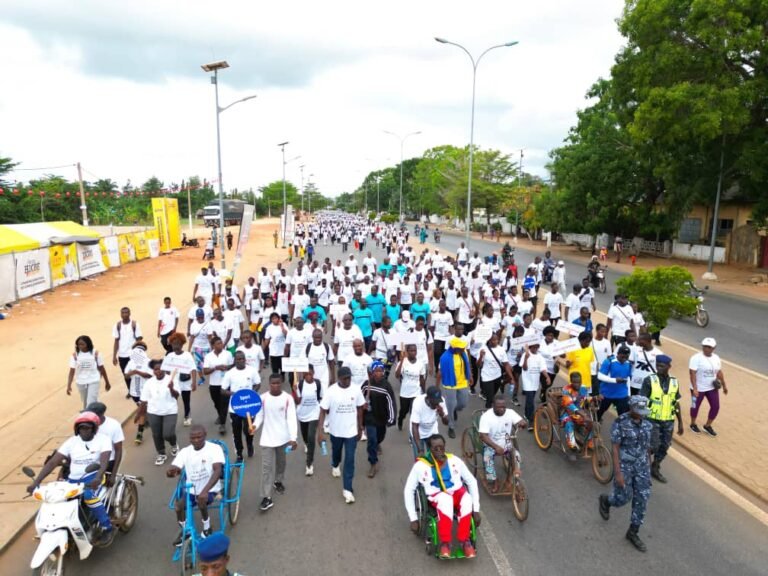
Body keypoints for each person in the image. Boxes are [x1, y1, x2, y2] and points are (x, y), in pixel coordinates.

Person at [26, 411, 113, 544]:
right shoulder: (71, 442)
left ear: (94, 428)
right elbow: (53, 462)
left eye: (88, 428)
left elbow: (104, 462)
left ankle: (107, 526)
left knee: (89, 496)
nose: (84, 431)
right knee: (54, 498)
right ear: (77, 429)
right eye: (81, 428)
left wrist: (98, 477)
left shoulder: (103, 440)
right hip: (72, 480)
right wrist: (36, 482)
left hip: (93, 477)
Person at [403, 434, 481, 559]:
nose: (439, 450)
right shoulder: (420, 466)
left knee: (467, 499)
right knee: (446, 500)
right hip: (437, 496)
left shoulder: (455, 460)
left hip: (457, 492)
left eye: (441, 447)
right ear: (430, 449)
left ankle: (465, 541)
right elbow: (409, 490)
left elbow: (471, 481)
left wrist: (476, 510)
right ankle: (445, 543)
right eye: (435, 448)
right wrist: (413, 518)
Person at [598, 396, 653, 552]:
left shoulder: (647, 424)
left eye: (643, 411)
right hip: (625, 466)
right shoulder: (620, 423)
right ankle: (607, 501)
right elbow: (615, 449)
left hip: (642, 466)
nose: (641, 414)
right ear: (631, 408)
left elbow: (647, 447)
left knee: (642, 498)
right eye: (639, 411)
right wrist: (618, 473)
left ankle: (633, 532)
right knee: (623, 498)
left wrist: (648, 469)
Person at [167, 425, 224, 543]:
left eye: (199, 437)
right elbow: (175, 466)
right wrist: (171, 471)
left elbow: (218, 470)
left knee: (201, 500)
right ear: (189, 438)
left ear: (205, 435)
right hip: (192, 490)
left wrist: (205, 491)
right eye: (193, 438)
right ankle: (186, 531)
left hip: (211, 489)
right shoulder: (185, 452)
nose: (196, 440)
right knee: (178, 506)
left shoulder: (215, 448)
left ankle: (207, 528)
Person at [317, 367, 366, 504]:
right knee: (337, 452)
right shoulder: (331, 391)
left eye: (349, 378)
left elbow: (360, 409)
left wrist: (360, 427)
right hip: (336, 431)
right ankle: (335, 463)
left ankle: (347, 489)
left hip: (351, 432)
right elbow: (322, 410)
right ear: (339, 378)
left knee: (350, 459)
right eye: (345, 378)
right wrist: (320, 432)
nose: (347, 380)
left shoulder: (356, 389)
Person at [253, 373, 298, 511]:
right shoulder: (263, 398)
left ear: (281, 383)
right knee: (266, 468)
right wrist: (254, 426)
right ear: (269, 384)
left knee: (281, 463)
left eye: (278, 383)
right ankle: (266, 497)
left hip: (283, 439)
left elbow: (291, 419)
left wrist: (293, 438)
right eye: (273, 383)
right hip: (267, 439)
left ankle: (278, 481)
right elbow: (260, 416)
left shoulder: (288, 398)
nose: (275, 386)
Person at [640, 354, 682, 483]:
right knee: (653, 445)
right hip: (651, 419)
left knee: (665, 446)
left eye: (662, 366)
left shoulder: (674, 382)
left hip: (668, 420)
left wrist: (680, 422)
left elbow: (676, 403)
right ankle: (643, 467)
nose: (659, 368)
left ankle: (655, 466)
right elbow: (642, 401)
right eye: (657, 365)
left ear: (669, 367)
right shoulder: (649, 380)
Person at [135, 359, 180, 466]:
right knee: (156, 434)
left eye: (160, 369)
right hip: (153, 412)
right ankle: (161, 453)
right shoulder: (149, 383)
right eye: (156, 369)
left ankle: (174, 444)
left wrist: (171, 388)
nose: (158, 371)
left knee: (168, 434)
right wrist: (138, 414)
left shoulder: (171, 379)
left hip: (170, 411)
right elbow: (144, 400)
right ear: (153, 371)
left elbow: (176, 396)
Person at [478, 396, 526, 493]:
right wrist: (495, 447)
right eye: (499, 407)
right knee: (487, 458)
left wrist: (522, 423)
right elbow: (483, 436)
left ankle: (510, 479)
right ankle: (494, 481)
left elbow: (521, 421)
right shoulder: (486, 417)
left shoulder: (510, 412)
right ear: (493, 406)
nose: (502, 409)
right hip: (491, 444)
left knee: (517, 456)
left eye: (503, 407)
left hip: (506, 443)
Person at [361, 361, 397, 478]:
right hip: (370, 417)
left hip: (382, 417)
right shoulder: (366, 384)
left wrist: (391, 418)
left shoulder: (386, 386)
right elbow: (359, 398)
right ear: (372, 372)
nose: (378, 373)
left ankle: (378, 443)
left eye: (380, 371)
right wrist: (363, 406)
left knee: (379, 437)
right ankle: (373, 463)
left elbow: (391, 402)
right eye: (376, 371)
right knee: (371, 439)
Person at [689, 337, 728, 436]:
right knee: (695, 406)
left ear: (714, 348)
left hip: (711, 388)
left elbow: (719, 372)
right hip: (698, 388)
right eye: (705, 346)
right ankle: (693, 424)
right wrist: (695, 388)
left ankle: (707, 426)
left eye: (709, 347)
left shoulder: (716, 358)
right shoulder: (695, 358)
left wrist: (724, 385)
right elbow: (692, 373)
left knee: (715, 407)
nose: (706, 348)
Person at [435, 337, 472, 439]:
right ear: (454, 348)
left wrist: (470, 376)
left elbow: (467, 365)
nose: (463, 349)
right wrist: (437, 387)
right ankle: (451, 427)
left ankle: (452, 409)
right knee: (450, 405)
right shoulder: (445, 357)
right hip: (450, 383)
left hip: (462, 382)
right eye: (461, 348)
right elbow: (440, 372)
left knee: (463, 403)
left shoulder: (463, 353)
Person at [292, 364, 323, 477]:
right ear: (303, 375)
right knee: (305, 437)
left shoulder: (318, 384)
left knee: (311, 437)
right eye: (306, 374)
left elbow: (321, 398)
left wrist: (322, 414)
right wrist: (294, 391)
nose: (308, 376)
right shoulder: (300, 385)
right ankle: (306, 444)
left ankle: (309, 463)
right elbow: (297, 401)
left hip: (314, 414)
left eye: (310, 374)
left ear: (313, 373)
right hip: (302, 414)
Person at [67, 335, 111, 409]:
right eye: (78, 344)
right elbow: (71, 371)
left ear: (88, 344)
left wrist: (107, 382)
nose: (80, 346)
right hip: (81, 382)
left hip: (94, 380)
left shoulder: (96, 353)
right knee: (85, 402)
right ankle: (95, 411)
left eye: (82, 344)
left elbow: (102, 368)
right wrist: (69, 385)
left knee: (90, 402)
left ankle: (90, 413)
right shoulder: (75, 356)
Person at [85, 402, 124, 482]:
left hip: (108, 462)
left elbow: (118, 450)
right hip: (89, 461)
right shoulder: (85, 424)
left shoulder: (114, 425)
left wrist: (113, 474)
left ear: (99, 415)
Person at [409, 386, 449, 457]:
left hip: (432, 432)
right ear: (428, 399)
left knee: (433, 457)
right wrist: (420, 450)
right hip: (418, 433)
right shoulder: (418, 403)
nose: (436, 404)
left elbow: (446, 423)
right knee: (420, 458)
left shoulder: (441, 402)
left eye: (438, 402)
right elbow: (415, 426)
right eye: (434, 402)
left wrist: (442, 414)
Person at [395, 343, 427, 431]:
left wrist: (424, 392)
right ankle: (400, 419)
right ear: (407, 352)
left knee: (413, 413)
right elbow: (397, 375)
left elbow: (422, 378)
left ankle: (413, 432)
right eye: (411, 351)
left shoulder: (420, 364)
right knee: (404, 411)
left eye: (415, 350)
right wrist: (401, 361)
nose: (413, 352)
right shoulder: (403, 362)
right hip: (405, 392)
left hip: (416, 392)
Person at [596, 346, 633, 421]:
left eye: (626, 357)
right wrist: (614, 380)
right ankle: (596, 423)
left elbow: (628, 379)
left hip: (622, 395)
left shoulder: (629, 364)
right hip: (606, 393)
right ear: (618, 354)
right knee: (599, 412)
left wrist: (629, 394)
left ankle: (620, 427)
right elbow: (600, 376)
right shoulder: (609, 361)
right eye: (622, 356)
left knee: (622, 416)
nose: (624, 359)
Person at [112, 307, 143, 397]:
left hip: (134, 354)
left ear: (130, 313)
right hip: (122, 355)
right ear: (120, 314)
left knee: (136, 372)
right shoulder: (117, 325)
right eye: (123, 313)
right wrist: (114, 356)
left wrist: (140, 353)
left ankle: (138, 390)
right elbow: (116, 340)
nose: (125, 314)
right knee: (126, 374)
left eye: (126, 312)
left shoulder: (134, 324)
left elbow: (139, 339)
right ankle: (130, 390)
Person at [477, 333, 513, 409]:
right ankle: (488, 411)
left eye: (497, 340)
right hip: (486, 377)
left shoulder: (501, 350)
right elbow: (478, 365)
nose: (495, 341)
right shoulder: (483, 349)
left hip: (497, 377)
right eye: (493, 340)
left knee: (492, 395)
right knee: (490, 398)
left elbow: (506, 364)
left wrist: (511, 377)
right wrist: (480, 356)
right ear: (489, 340)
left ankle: (490, 408)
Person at [560, 372, 593, 452]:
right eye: (574, 382)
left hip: (580, 413)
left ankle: (589, 441)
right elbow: (569, 404)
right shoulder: (566, 390)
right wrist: (582, 414)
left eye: (578, 382)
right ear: (571, 382)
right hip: (567, 413)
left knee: (590, 422)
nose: (577, 384)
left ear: (581, 381)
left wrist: (594, 398)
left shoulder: (583, 388)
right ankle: (572, 444)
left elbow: (587, 399)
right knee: (569, 423)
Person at [520, 342, 550, 427]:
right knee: (530, 401)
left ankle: (526, 414)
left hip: (535, 382)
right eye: (533, 347)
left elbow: (543, 369)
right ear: (530, 347)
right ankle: (531, 421)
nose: (535, 349)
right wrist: (526, 358)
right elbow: (524, 368)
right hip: (527, 381)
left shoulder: (540, 357)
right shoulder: (525, 355)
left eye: (537, 347)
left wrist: (547, 377)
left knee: (530, 400)